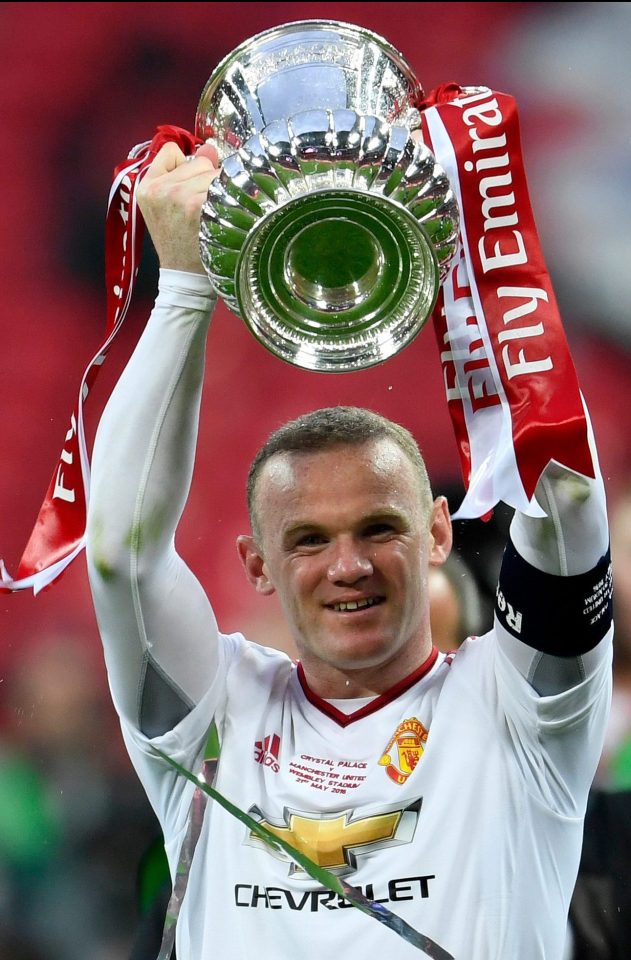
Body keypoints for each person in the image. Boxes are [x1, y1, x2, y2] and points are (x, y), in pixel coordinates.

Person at [84, 139, 613, 960]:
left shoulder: (522, 714)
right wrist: (184, 283)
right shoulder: (216, 714)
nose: (348, 564)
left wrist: (475, 253)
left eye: (379, 528)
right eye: (307, 540)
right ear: (255, 565)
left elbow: (567, 497)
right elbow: (121, 552)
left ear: (438, 532)